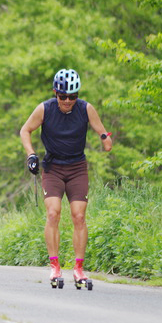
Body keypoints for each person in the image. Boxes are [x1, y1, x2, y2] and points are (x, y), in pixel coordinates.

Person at [20, 69, 112, 290]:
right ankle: (55, 266)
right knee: (53, 213)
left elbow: (103, 132)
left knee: (79, 216)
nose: (68, 101)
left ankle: (79, 269)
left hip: (77, 167)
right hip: (53, 168)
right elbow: (25, 130)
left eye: (73, 96)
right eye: (63, 96)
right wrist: (31, 154)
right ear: (55, 93)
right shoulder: (45, 109)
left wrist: (106, 139)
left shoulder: (86, 109)